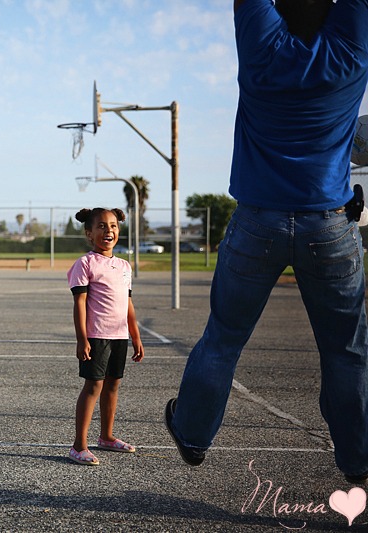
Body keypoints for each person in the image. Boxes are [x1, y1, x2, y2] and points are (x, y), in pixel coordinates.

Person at [165, 0, 368, 484]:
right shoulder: (352, 54)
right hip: (330, 225)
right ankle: (357, 459)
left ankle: (193, 434)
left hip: (258, 222)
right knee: (345, 352)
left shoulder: (261, 50)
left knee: (223, 339)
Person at [68, 207, 144, 466]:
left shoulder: (124, 266)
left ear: (119, 230)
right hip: (96, 335)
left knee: (113, 385)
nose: (108, 231)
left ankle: (107, 437)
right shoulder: (85, 263)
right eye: (101, 226)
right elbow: (80, 304)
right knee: (93, 386)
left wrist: (136, 336)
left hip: (119, 336)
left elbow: (128, 304)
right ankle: (79, 445)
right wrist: (82, 338)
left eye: (112, 226)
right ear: (89, 234)